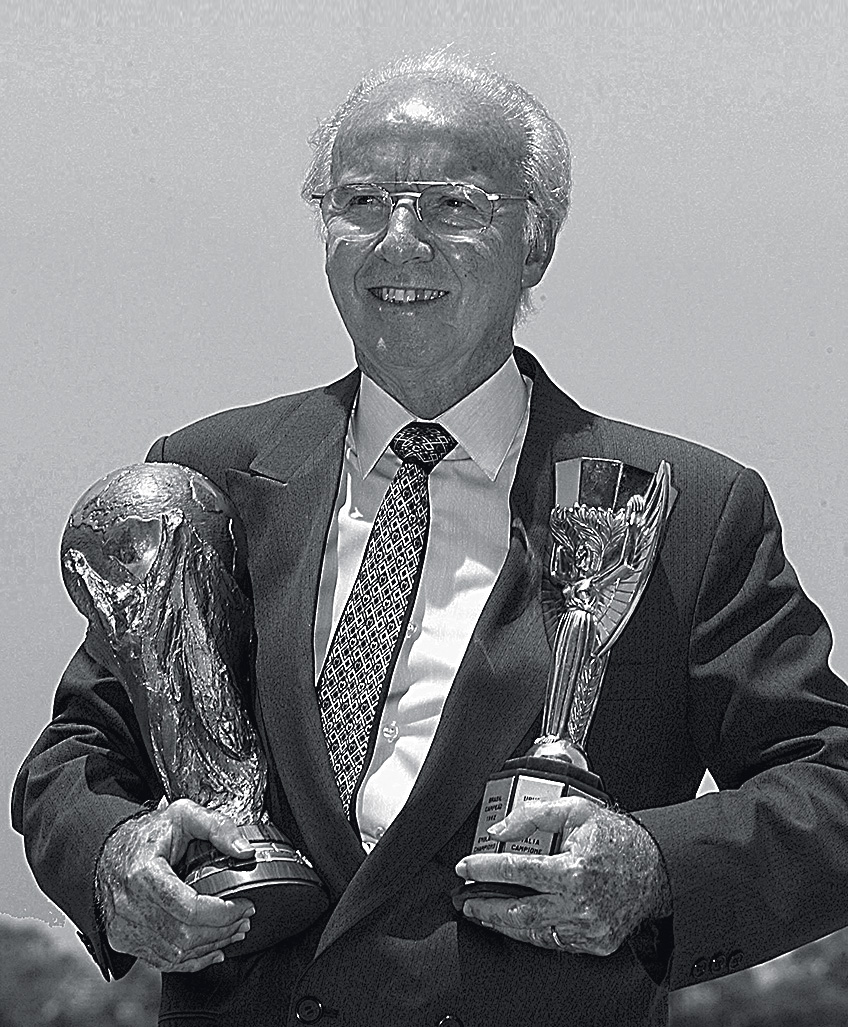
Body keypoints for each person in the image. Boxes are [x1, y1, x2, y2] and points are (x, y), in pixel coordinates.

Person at [13, 51, 848, 1027]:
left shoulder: (686, 511)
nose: (397, 242)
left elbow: (828, 786)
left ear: (534, 244)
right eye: (361, 201)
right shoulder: (205, 480)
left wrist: (652, 870)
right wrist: (115, 859)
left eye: (453, 206)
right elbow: (77, 755)